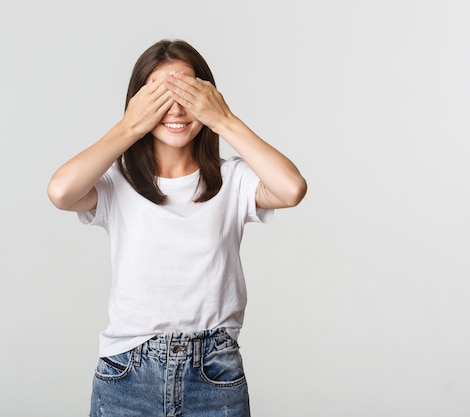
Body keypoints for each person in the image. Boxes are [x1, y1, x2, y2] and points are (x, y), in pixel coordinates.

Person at [47, 39, 307, 417]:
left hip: (214, 372)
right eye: (158, 96)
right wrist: (129, 126)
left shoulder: (232, 179)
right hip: (127, 373)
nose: (176, 109)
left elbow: (291, 188)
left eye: (188, 93)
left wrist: (224, 120)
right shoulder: (117, 182)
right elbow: (60, 191)